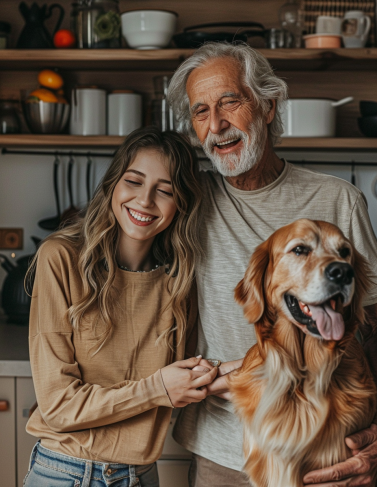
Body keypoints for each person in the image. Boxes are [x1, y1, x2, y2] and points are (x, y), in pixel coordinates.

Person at [167, 42, 377, 487]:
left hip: (329, 451)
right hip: (225, 453)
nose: (217, 125)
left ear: (266, 105)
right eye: (201, 112)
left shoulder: (337, 200)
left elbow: (375, 324)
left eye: (229, 102)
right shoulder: (187, 200)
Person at [23, 127, 218, 487]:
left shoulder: (180, 282)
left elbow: (189, 376)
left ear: (181, 205)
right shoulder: (60, 258)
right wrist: (157, 388)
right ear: (114, 184)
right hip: (65, 473)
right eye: (134, 181)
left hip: (142, 476)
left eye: (165, 190)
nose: (145, 201)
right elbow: (58, 406)